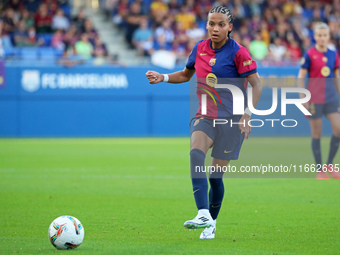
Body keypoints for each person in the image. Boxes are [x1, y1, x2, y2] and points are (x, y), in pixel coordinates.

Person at [146, 6, 262, 239]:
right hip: (205, 116)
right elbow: (186, 74)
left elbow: (257, 84)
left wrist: (247, 114)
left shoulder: (239, 53)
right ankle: (202, 213)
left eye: (220, 24)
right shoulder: (199, 48)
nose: (215, 28)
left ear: (230, 27)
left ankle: (212, 222)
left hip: (231, 121)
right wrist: (164, 77)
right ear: (206, 25)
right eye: (211, 23)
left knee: (215, 178)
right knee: (196, 153)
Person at [298, 22, 340, 180]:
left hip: (331, 99)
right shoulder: (309, 54)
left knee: (338, 129)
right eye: (319, 35)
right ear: (315, 37)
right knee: (317, 134)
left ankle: (329, 164)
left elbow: (336, 77)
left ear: (329, 36)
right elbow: (301, 77)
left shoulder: (333, 55)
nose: (322, 38)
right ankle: (320, 170)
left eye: (325, 35)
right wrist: (303, 98)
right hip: (314, 99)